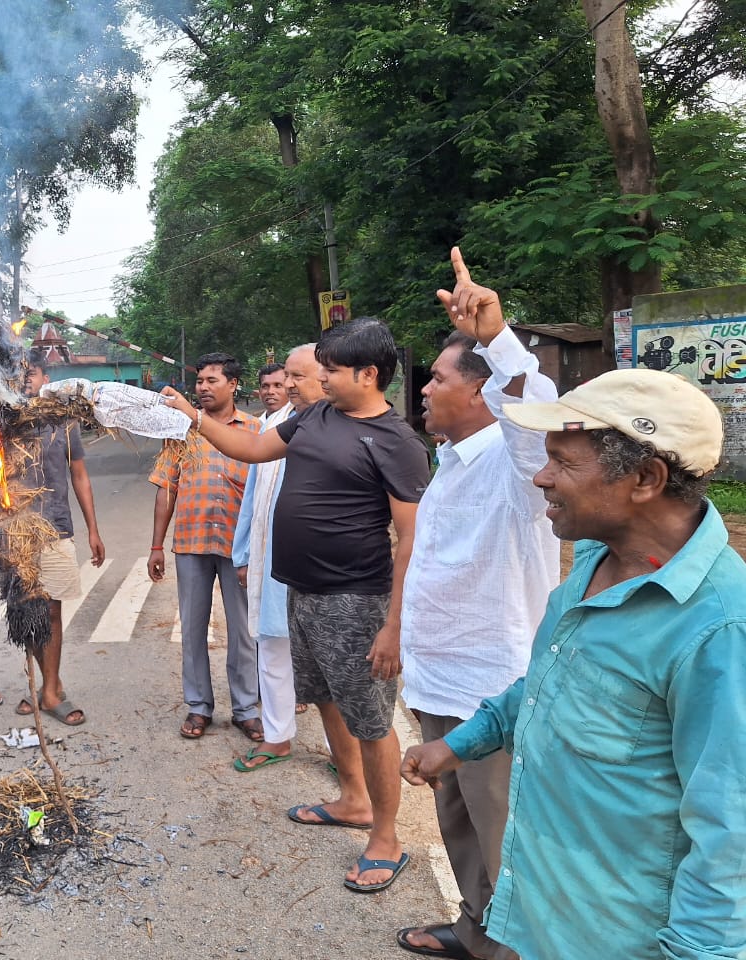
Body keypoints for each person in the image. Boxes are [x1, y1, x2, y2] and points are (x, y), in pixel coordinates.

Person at [402, 261, 746, 960]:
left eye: (564, 462)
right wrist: (461, 741)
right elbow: (551, 682)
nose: (541, 475)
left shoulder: (718, 629)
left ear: (646, 479)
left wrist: (498, 342)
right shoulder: (594, 561)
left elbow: (729, 835)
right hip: (546, 918)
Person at [161, 321, 429, 893]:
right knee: (328, 699)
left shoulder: (396, 441)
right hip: (301, 592)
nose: (319, 378)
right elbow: (252, 448)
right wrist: (193, 415)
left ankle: (386, 837)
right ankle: (354, 798)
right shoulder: (314, 416)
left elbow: (411, 540)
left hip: (357, 601)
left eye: (331, 369)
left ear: (369, 374)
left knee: (374, 721)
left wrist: (394, 625)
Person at [395, 250, 559, 960]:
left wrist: (496, 339)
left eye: (436, 378)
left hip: (492, 690)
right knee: (458, 826)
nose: (424, 390)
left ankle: (515, 946)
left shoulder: (519, 463)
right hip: (439, 682)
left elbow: (535, 417)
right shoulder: (452, 460)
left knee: (503, 838)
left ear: (482, 392)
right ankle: (475, 931)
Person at [149, 352, 262, 742]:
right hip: (193, 543)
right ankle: (199, 707)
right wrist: (156, 546)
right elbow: (167, 487)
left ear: (233, 384)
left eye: (212, 380)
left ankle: (246, 709)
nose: (203, 387)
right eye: (199, 381)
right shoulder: (180, 429)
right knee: (192, 629)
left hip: (239, 547)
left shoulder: (255, 429)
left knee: (244, 631)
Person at [230, 344, 323, 771]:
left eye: (291, 377)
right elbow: (252, 498)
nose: (282, 386)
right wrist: (244, 552)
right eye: (275, 380)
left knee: (324, 658)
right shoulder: (270, 427)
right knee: (271, 646)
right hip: (269, 558)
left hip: (310, 559)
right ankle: (278, 735)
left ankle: (348, 752)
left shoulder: (316, 425)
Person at [18, 358, 106, 725]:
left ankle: (51, 690)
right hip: (12, 532)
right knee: (26, 613)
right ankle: (49, 684)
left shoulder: (62, 421)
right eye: (15, 375)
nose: (22, 380)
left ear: (44, 379)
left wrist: (93, 529)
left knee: (51, 610)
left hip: (55, 528)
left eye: (29, 374)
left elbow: (80, 476)